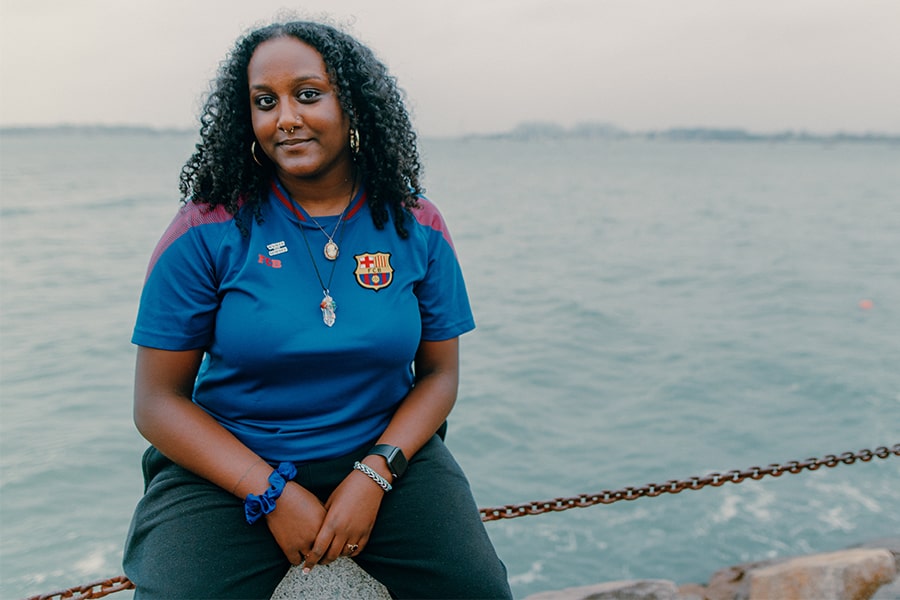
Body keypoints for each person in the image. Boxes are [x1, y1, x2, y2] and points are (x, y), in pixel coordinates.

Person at [122, 19, 512, 600]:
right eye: (264, 101)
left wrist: (375, 473)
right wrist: (270, 491)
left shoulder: (416, 224)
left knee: (477, 591)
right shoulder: (205, 230)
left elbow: (439, 375)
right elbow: (157, 403)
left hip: (386, 455)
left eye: (308, 95)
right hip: (230, 468)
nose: (285, 118)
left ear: (353, 104)